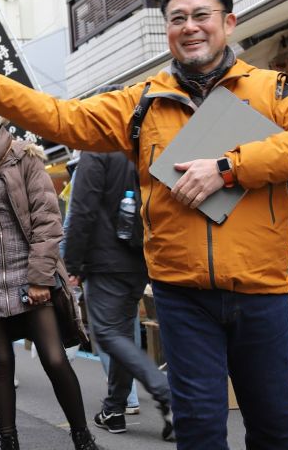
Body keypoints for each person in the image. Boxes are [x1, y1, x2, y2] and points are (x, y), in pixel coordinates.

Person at [0, 0, 288, 450]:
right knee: (201, 431)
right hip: (182, 294)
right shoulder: (141, 100)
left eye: (201, 16)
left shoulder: (271, 89)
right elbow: (66, 119)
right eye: (177, 19)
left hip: (261, 289)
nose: (190, 27)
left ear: (228, 22)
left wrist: (229, 168)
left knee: (272, 429)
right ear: (166, 29)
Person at [0, 94, 98, 450]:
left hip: (29, 275)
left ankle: (82, 438)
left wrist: (40, 278)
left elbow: (48, 221)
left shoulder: (24, 157)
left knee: (54, 358)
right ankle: (9, 442)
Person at [63, 139, 173, 440]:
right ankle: (113, 409)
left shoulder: (96, 149)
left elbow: (82, 208)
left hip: (104, 259)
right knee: (122, 336)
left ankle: (167, 394)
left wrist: (71, 262)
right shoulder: (139, 144)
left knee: (107, 334)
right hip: (139, 257)